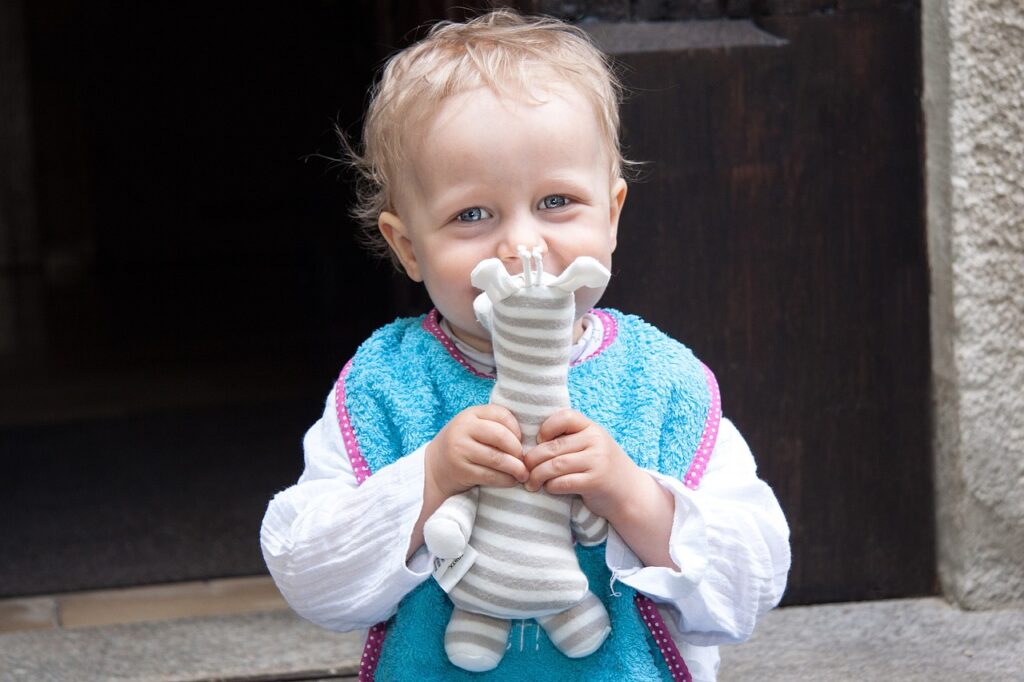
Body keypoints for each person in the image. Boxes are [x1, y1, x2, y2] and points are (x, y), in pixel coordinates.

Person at [260, 9, 790, 681]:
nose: (521, 245)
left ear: (612, 214)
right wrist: (430, 479)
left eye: (556, 201)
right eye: (472, 214)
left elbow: (752, 585)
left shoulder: (659, 383)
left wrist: (631, 498)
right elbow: (309, 576)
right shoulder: (386, 387)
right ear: (407, 246)